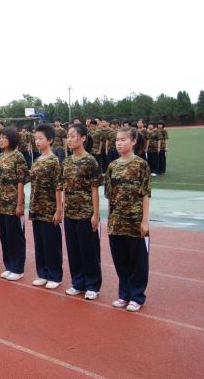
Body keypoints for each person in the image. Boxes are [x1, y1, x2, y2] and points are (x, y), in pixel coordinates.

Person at [105, 127, 151, 312]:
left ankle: (137, 296)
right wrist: (109, 219)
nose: (119, 142)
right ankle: (124, 294)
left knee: (137, 260)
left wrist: (145, 221)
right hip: (116, 221)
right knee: (121, 260)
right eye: (117, 139)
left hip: (134, 221)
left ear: (133, 142)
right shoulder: (112, 166)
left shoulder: (141, 164)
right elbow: (109, 195)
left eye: (123, 139)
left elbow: (145, 194)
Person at [59, 123, 102, 300]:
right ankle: (78, 283)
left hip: (85, 213)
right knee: (73, 250)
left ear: (83, 138)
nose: (69, 139)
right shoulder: (67, 162)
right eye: (67, 136)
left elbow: (94, 189)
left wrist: (96, 214)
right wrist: (61, 208)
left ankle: (92, 285)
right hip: (70, 213)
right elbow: (63, 187)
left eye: (72, 136)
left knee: (88, 250)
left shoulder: (90, 161)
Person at [29, 124, 63, 289]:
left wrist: (58, 209)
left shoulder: (54, 161)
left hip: (49, 208)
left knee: (51, 243)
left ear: (49, 140)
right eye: (35, 138)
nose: (37, 141)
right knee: (40, 243)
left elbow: (58, 186)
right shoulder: (37, 160)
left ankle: (55, 275)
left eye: (40, 138)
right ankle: (42, 273)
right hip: (36, 208)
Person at [0, 127, 30, 281]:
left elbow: (21, 181)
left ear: (12, 139)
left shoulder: (18, 157)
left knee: (15, 236)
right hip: (0, 202)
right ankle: (9, 265)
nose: (1, 140)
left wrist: (19, 204)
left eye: (4, 137)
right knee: (4, 235)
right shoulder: (0, 156)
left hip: (13, 202)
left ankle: (18, 268)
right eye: (0, 137)